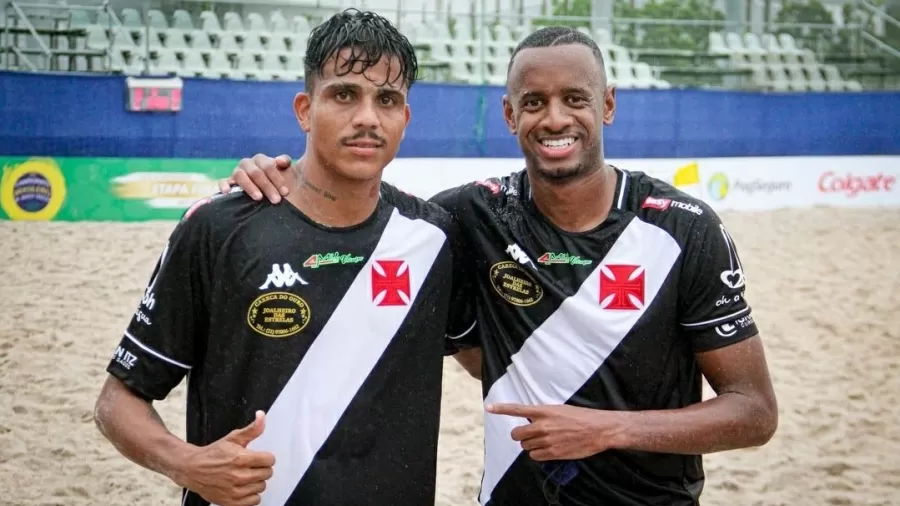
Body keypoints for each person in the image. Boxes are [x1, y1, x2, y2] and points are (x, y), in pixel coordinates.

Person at [221, 26, 779, 506]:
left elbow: (754, 413)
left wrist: (607, 428)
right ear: (510, 115)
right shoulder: (472, 217)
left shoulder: (682, 229)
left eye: (575, 99)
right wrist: (272, 176)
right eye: (533, 102)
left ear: (607, 105)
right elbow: (352, 216)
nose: (554, 118)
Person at [93, 10, 480, 506]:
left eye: (386, 100)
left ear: (404, 118)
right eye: (344, 94)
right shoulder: (218, 228)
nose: (367, 117)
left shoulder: (435, 240)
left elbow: (489, 363)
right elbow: (118, 401)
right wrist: (186, 464)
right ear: (304, 109)